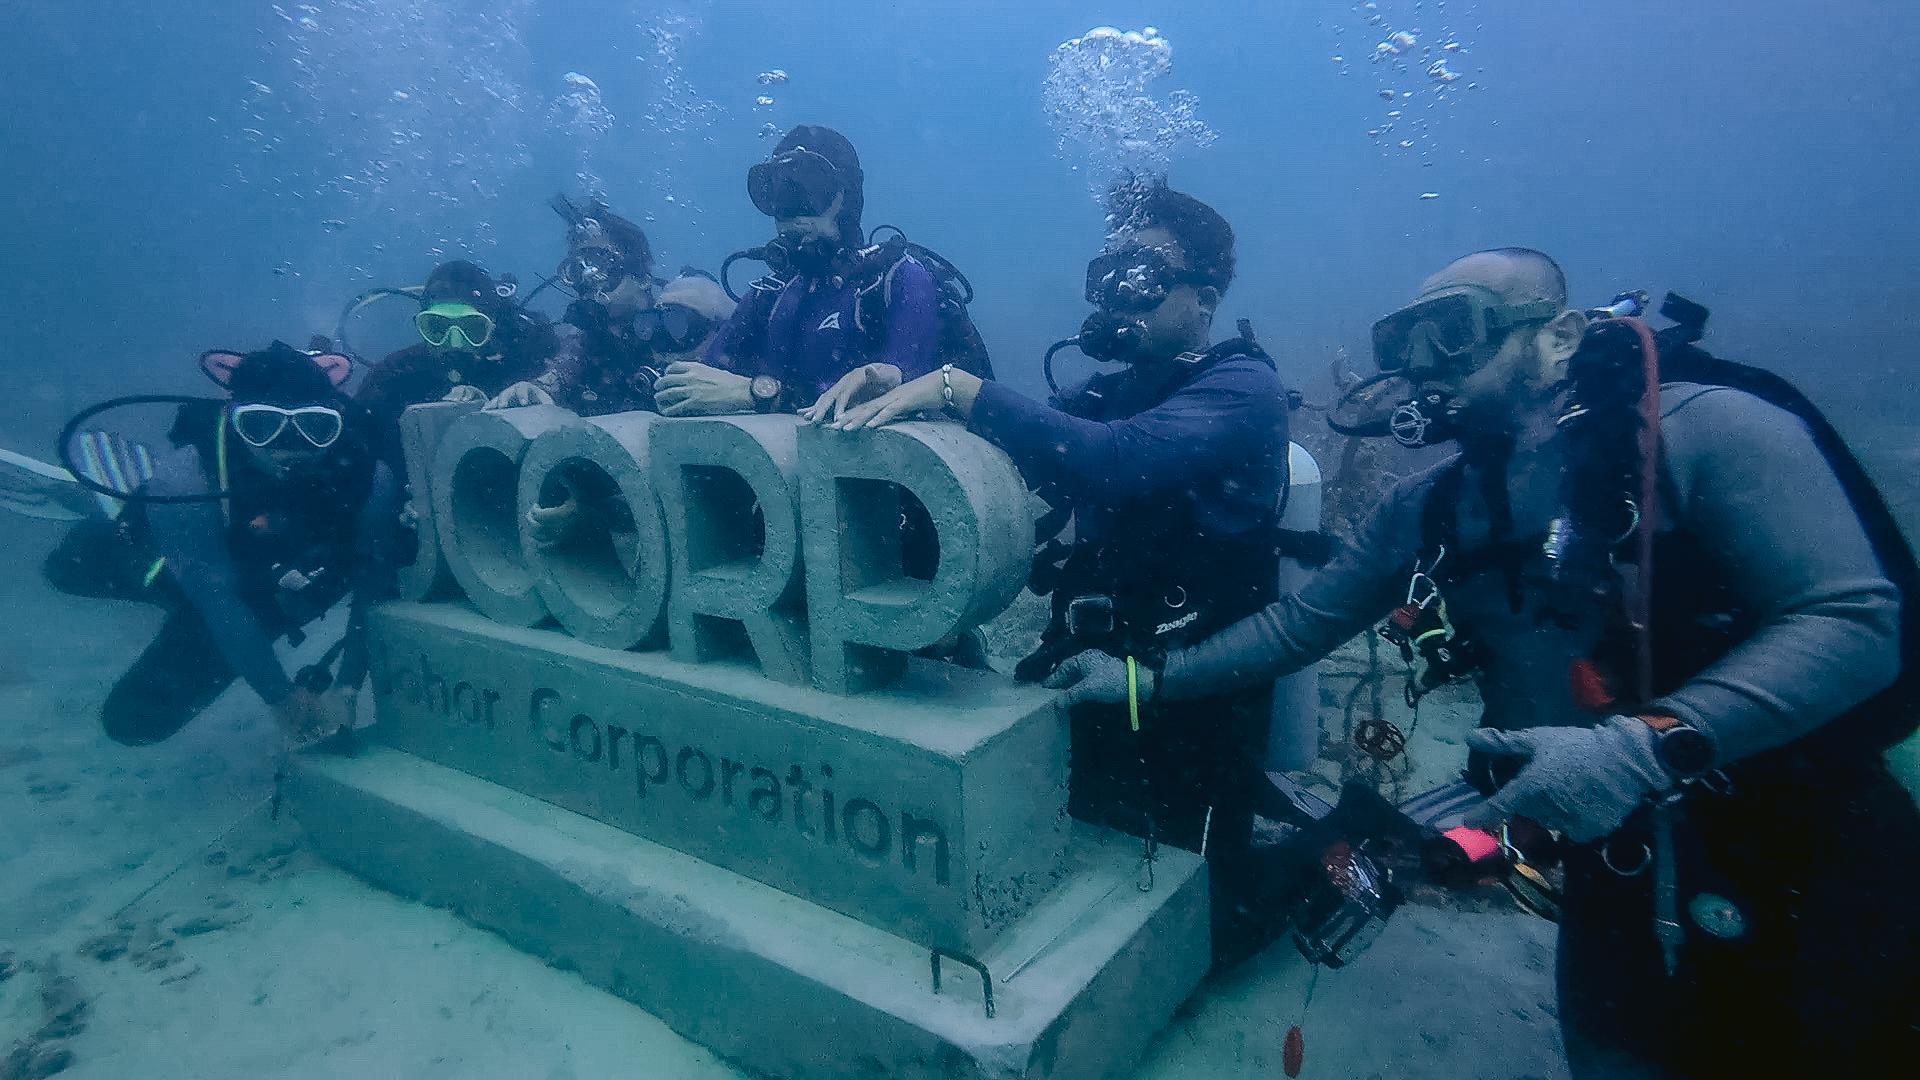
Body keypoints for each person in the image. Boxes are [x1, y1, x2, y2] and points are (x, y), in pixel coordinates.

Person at [1044, 248, 1920, 1076]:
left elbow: (1851, 619)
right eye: (1403, 340)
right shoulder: (1428, 507)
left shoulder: (1706, 432)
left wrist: (1646, 747)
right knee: (1618, 1051)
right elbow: (1298, 626)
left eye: (1454, 330)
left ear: (1562, 334)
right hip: (1615, 859)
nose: (1425, 364)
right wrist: (1143, 679)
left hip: (1809, 842)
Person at [826, 178, 1292, 967]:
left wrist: (958, 385)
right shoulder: (1108, 389)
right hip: (1090, 655)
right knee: (1077, 850)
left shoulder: (1244, 385)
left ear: (1204, 299)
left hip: (1196, 680)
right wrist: (907, 388)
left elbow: (1117, 461)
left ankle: (1320, 861)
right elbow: (1017, 442)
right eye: (1109, 277)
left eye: (1144, 279)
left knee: (1201, 925)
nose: (1119, 298)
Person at [43, 342, 406, 747]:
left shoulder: (370, 480)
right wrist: (279, 697)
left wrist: (347, 689)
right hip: (187, 564)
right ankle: (106, 507)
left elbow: (374, 580)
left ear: (337, 424)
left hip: (271, 589)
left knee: (132, 723)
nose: (290, 444)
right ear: (235, 422)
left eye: (315, 427)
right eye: (262, 425)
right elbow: (214, 595)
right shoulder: (186, 480)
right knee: (65, 567)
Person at [653, 125, 944, 418]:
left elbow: (905, 399)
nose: (788, 211)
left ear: (847, 197)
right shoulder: (767, 294)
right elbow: (701, 387)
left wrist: (758, 393)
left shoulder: (897, 279)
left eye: (809, 190)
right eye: (776, 193)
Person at [489, 198, 722, 416]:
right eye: (578, 270)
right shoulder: (591, 337)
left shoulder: (677, 329)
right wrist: (535, 388)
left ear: (642, 278)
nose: (590, 278)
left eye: (601, 264)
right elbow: (567, 366)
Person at [354, 259, 559, 469]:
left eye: (472, 328)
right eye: (437, 328)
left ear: (493, 325)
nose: (455, 343)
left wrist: (542, 389)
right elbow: (356, 436)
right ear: (420, 325)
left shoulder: (524, 361)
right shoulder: (394, 374)